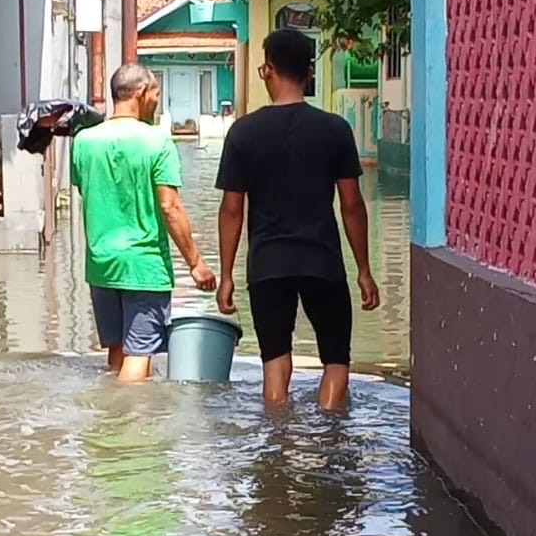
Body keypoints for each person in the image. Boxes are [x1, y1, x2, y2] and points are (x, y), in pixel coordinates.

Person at [215, 29, 380, 410]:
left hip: (267, 265)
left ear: (267, 70)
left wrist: (226, 276)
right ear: (309, 73)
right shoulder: (335, 129)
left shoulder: (243, 132)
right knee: (336, 360)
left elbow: (232, 210)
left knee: (275, 364)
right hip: (322, 262)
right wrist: (364, 269)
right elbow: (352, 205)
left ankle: (277, 447)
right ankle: (331, 438)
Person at [73, 63, 216, 381]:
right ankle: (129, 423)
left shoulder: (83, 141)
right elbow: (170, 207)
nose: (157, 102)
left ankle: (109, 425)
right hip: (143, 267)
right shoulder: (157, 141)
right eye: (155, 94)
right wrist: (195, 263)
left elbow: (89, 192)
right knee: (140, 353)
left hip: (101, 265)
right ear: (140, 93)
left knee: (116, 350)